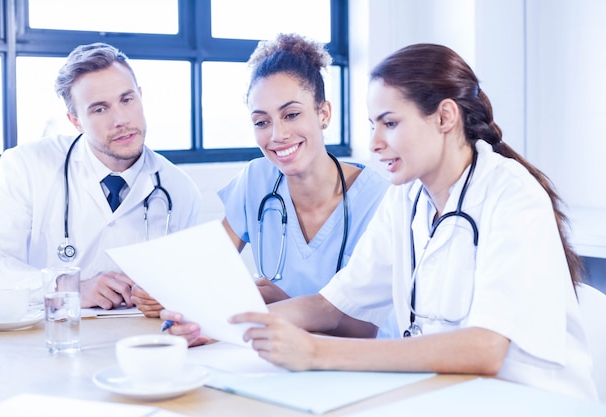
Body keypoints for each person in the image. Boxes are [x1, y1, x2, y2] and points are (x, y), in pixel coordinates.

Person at [162, 43, 598, 401]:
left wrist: (316, 352)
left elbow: (483, 349)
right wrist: (219, 324)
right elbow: (331, 304)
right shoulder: (406, 199)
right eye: (373, 124)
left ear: (445, 117)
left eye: (389, 123)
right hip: (447, 394)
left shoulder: (512, 195)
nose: (373, 143)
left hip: (530, 401)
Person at [0, 42, 202, 317]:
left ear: (141, 97)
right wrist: (67, 288)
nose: (120, 119)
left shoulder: (178, 189)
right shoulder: (26, 166)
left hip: (139, 340)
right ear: (75, 121)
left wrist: (168, 296)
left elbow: (188, 287)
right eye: (99, 109)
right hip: (50, 338)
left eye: (127, 99)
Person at [216, 33, 392, 336]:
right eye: (262, 121)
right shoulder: (255, 180)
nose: (277, 135)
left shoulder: (380, 200)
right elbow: (205, 270)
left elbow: (369, 329)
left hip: (357, 368)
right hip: (275, 357)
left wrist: (286, 308)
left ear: (323, 113)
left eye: (291, 114)